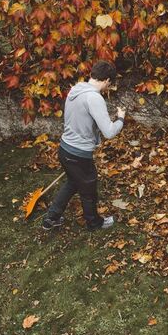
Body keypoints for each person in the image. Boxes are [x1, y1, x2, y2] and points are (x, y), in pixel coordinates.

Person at [42, 61, 125, 231]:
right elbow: (109, 132)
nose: (108, 87)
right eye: (109, 84)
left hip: (65, 150)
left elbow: (83, 116)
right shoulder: (94, 98)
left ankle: (51, 218)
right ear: (107, 80)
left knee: (73, 182)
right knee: (89, 192)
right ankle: (94, 223)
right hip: (79, 155)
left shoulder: (76, 89)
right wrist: (121, 119)